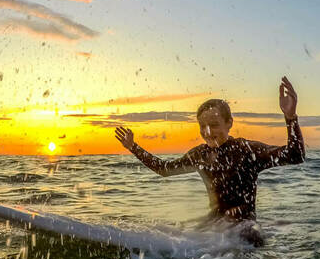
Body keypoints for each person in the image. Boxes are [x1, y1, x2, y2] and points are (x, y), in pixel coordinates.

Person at [114, 76, 305, 246]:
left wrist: (290, 118)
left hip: (243, 228)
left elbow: (295, 155)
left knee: (251, 240)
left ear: (229, 123)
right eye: (202, 126)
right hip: (214, 225)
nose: (208, 132)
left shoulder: (247, 150)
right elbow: (164, 169)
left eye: (214, 125)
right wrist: (133, 147)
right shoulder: (200, 155)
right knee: (176, 240)